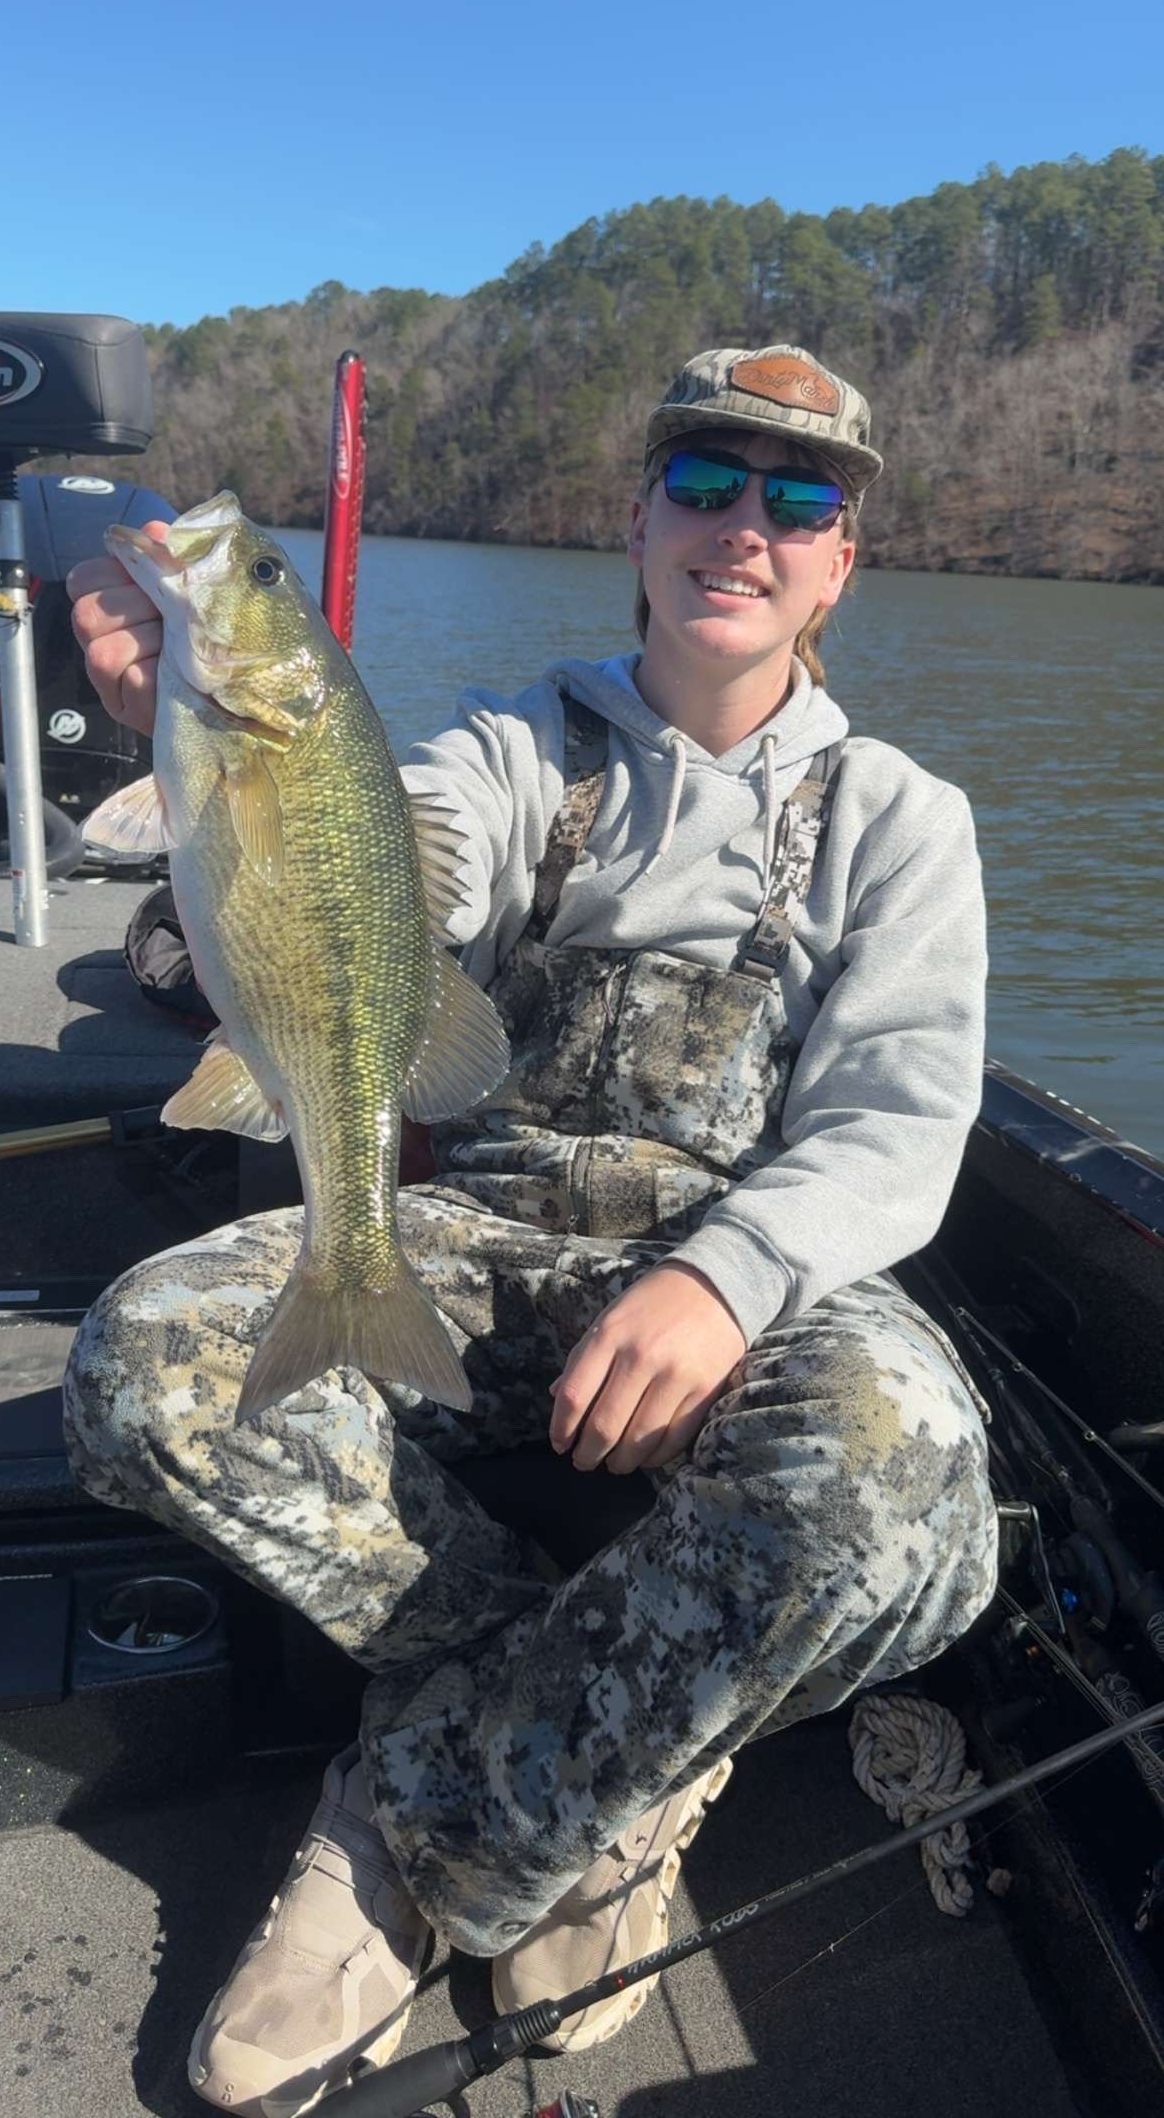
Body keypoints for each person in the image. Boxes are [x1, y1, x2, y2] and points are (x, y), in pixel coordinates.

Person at [65, 343, 999, 2118]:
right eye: (705, 486)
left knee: (905, 1469)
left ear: (840, 562)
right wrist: (178, 751)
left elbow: (893, 1128)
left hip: (746, 1260)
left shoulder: (901, 822)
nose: (746, 529)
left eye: (798, 501)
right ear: (636, 521)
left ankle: (415, 1830)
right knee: (144, 1366)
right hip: (480, 1228)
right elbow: (377, 866)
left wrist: (721, 1284)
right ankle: (589, 1749)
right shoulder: (508, 748)